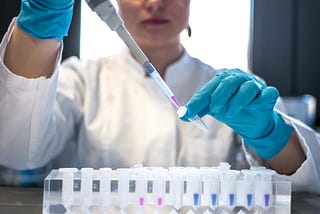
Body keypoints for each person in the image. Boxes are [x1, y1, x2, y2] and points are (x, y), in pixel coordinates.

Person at [0, 0, 319, 194]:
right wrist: (39, 27)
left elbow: (304, 183)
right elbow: (17, 152)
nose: (155, 2)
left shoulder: (231, 88)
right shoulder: (81, 80)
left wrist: (269, 134)